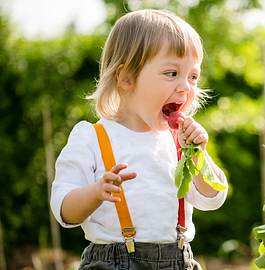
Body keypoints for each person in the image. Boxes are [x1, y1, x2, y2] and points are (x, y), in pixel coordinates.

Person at [50, 9, 228, 270]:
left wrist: (198, 155)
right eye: (171, 73)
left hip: (177, 260)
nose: (185, 87)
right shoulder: (92, 137)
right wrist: (96, 192)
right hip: (113, 263)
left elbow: (213, 198)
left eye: (193, 76)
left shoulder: (177, 142)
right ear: (126, 79)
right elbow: (64, 209)